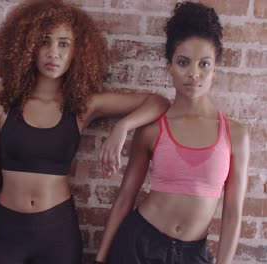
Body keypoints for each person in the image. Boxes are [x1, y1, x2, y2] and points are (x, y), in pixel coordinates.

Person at [0, 1, 170, 264]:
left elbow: (159, 102)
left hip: (57, 233)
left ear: (77, 51)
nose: (54, 53)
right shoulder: (1, 103)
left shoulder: (82, 106)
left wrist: (123, 126)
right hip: (9, 232)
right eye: (45, 42)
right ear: (28, 46)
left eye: (64, 44)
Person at [94, 2, 250, 264]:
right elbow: (124, 199)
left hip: (192, 254)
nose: (194, 73)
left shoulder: (235, 134)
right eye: (183, 62)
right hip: (137, 245)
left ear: (215, 70)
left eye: (204, 64)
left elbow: (233, 213)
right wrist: (100, 259)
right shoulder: (153, 129)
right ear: (169, 67)